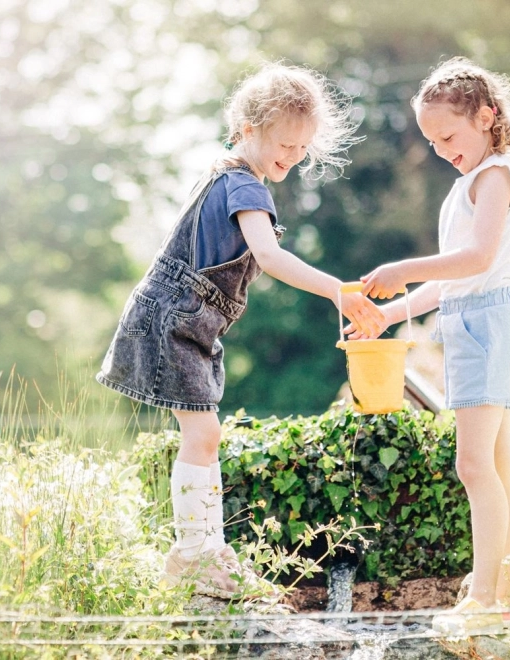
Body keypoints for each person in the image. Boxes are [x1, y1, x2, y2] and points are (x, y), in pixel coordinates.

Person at [97, 62, 384, 601]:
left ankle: (205, 551)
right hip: (176, 319)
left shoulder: (226, 172)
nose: (292, 157)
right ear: (248, 128)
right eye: (283, 144)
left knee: (205, 437)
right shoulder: (243, 185)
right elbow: (269, 255)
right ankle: (193, 556)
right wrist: (337, 290)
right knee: (202, 436)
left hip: (193, 323)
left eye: (302, 149)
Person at [348, 56, 510, 635]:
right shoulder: (468, 183)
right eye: (431, 141)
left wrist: (402, 267)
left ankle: (483, 597)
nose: (441, 148)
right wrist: (389, 314)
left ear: (486, 116)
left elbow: (476, 260)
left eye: (448, 135)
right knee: (498, 465)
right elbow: (453, 280)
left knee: (473, 463)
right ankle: (507, 594)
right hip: (470, 321)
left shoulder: (495, 175)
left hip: (487, 324)